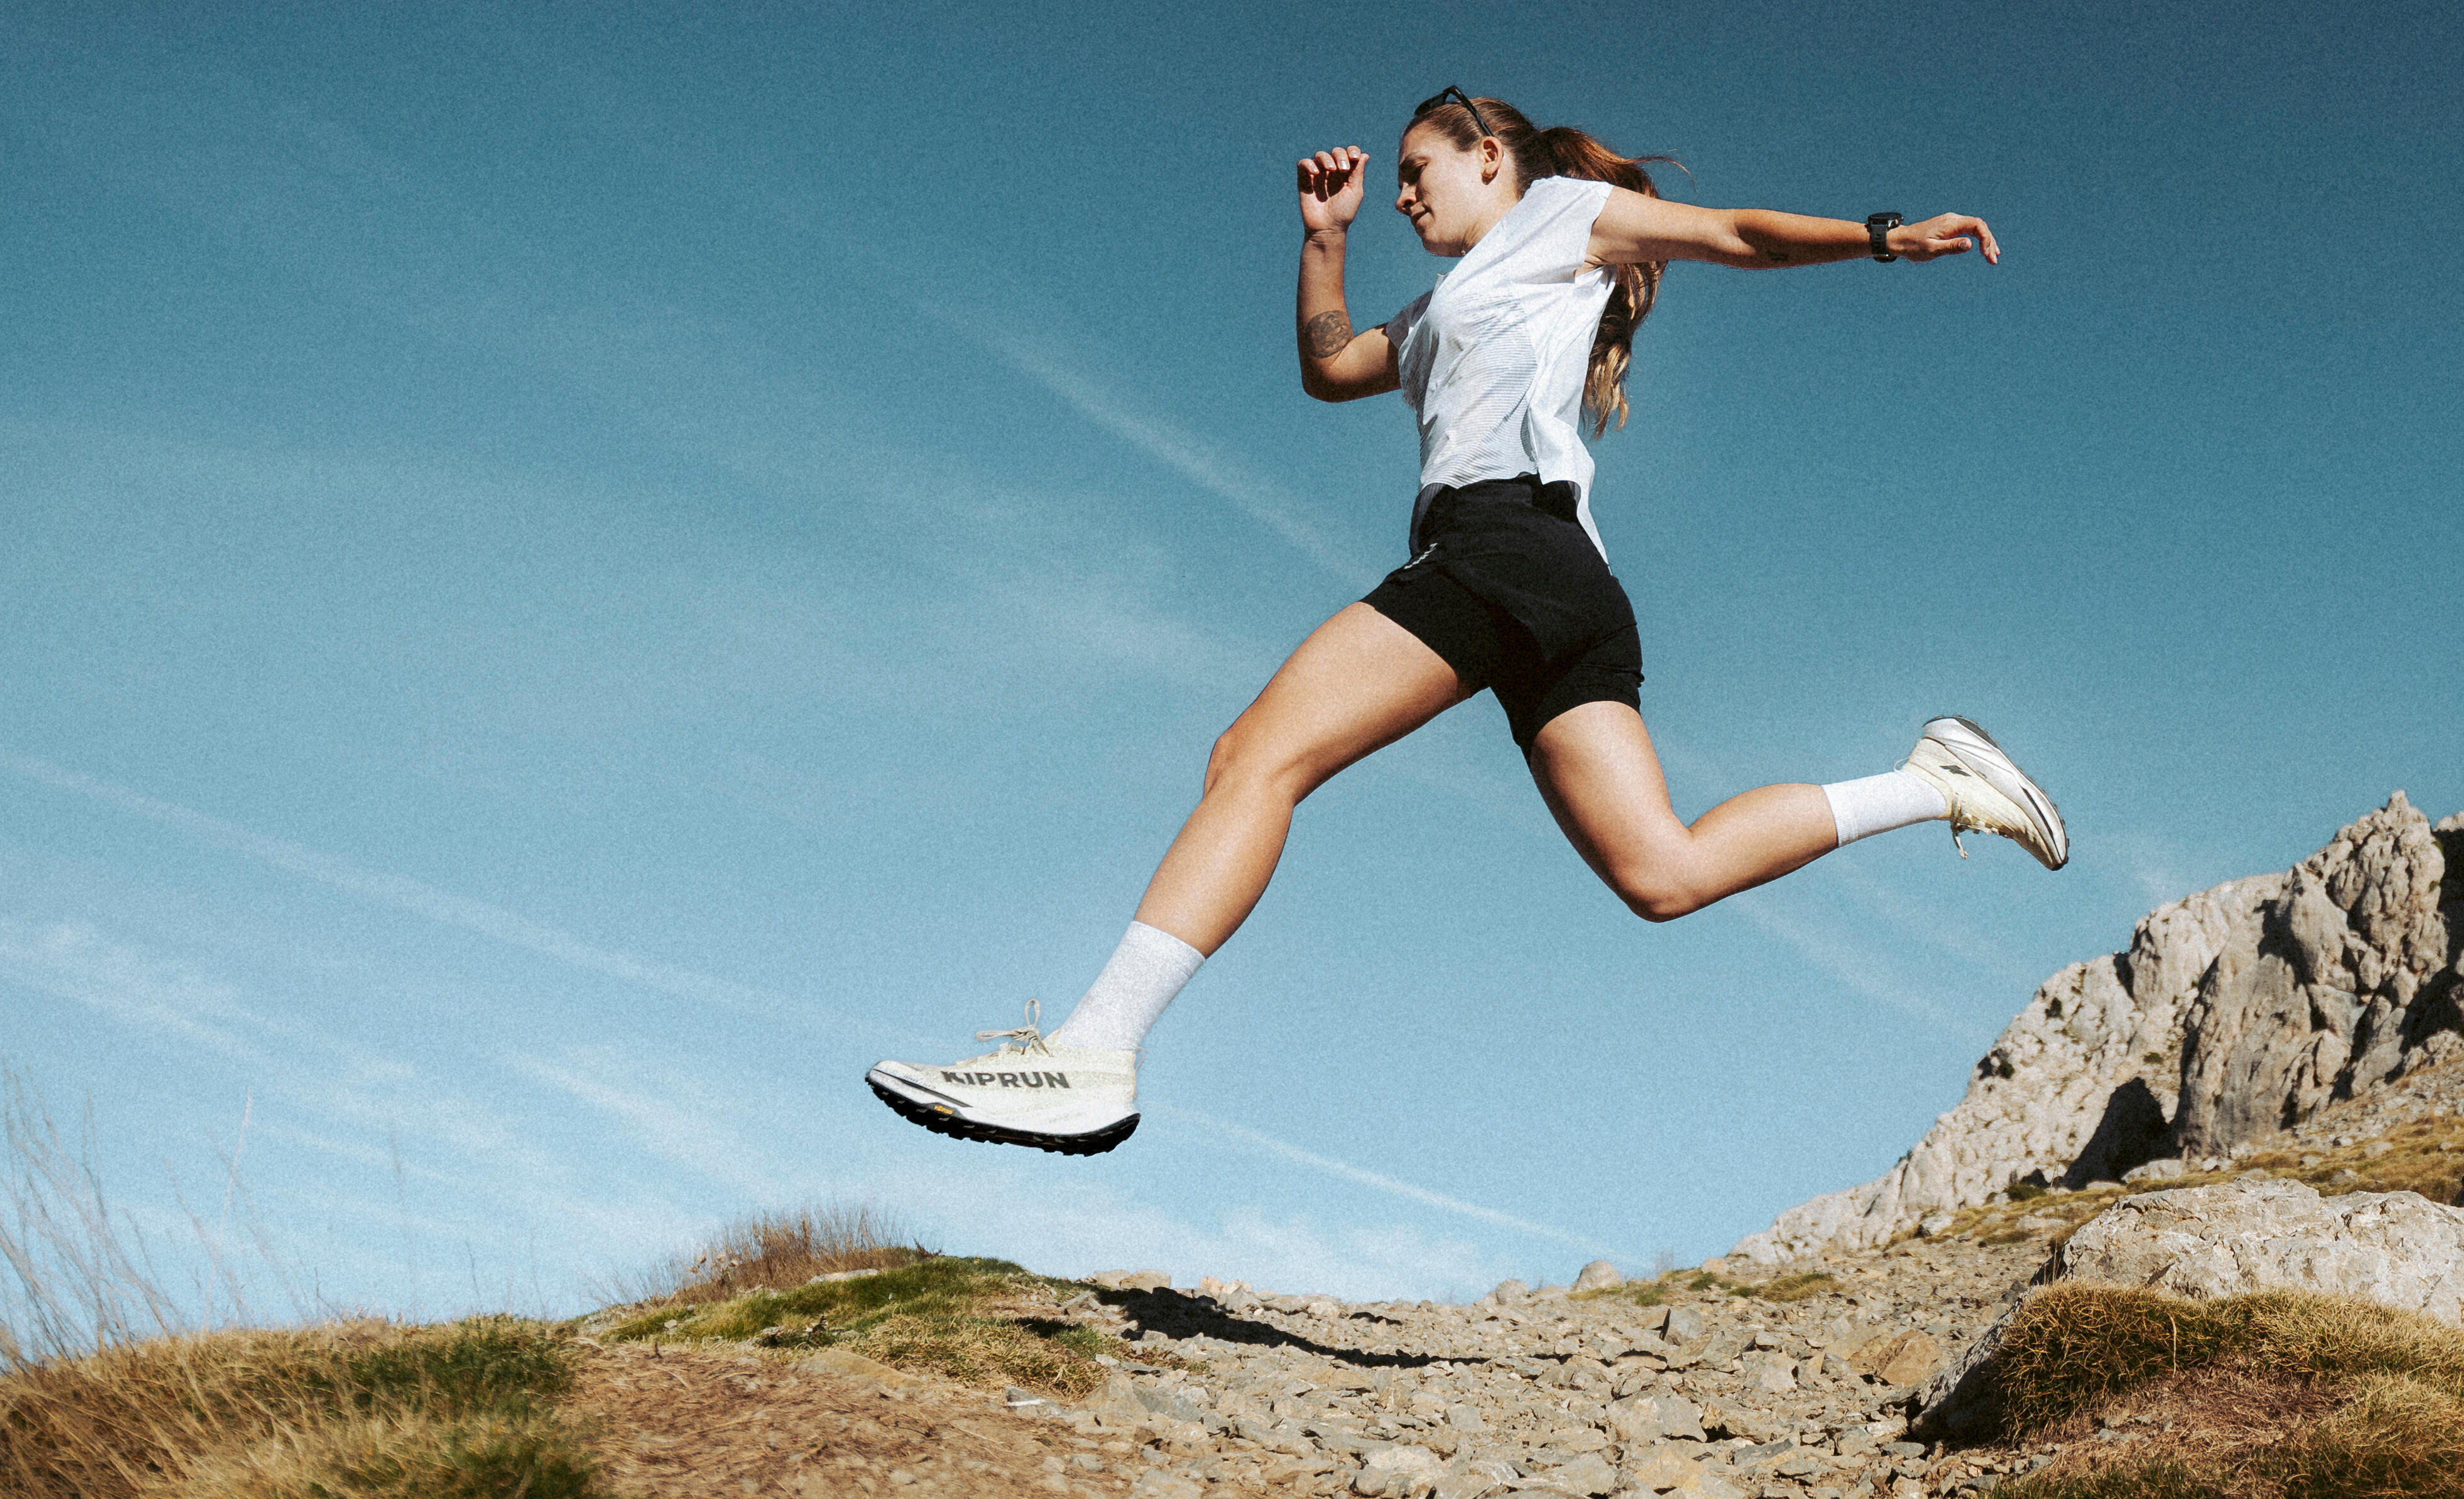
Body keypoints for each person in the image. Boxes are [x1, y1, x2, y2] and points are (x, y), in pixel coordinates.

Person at [868, 87, 2069, 1156]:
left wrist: (1879, 238)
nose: (1397, 195)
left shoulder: (1563, 216)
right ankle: (1936, 783)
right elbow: (1330, 367)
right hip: (1567, 588)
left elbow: (1731, 235)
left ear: (1491, 154)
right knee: (1665, 871)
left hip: (1503, 548)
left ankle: (1092, 1051)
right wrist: (1322, 244)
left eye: (1413, 172)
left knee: (1254, 757)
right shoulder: (1448, 303)